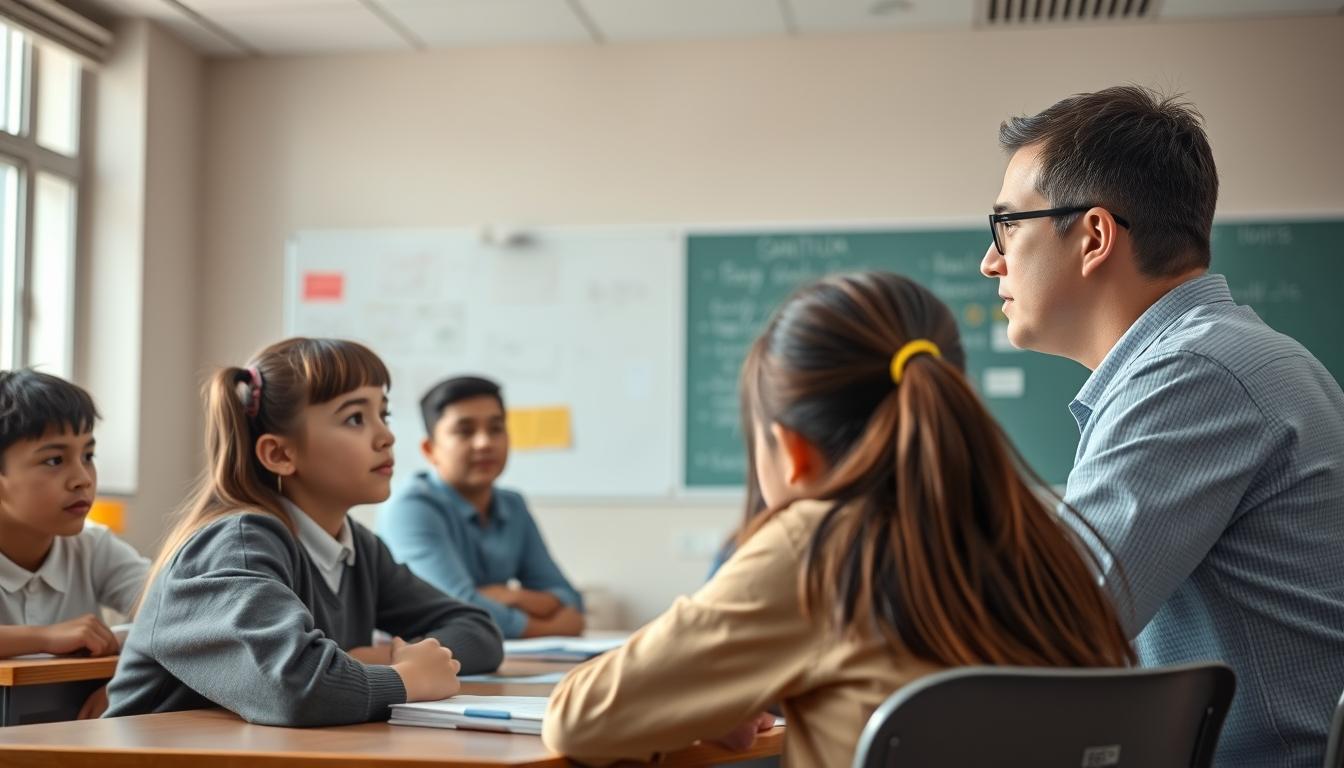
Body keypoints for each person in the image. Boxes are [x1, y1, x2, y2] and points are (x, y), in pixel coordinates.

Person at [542, 272, 1134, 765]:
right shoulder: (1034, 537)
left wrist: (700, 700)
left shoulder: (819, 545)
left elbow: (577, 720)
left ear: (791, 452)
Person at [981, 85, 1344, 766]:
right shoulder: (1225, 356)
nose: (991, 261)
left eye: (1007, 227)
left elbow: (1043, 626)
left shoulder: (1197, 373)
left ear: (1093, 236)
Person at [106, 338, 503, 726]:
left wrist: (374, 663)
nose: (386, 436)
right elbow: (295, 689)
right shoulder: (236, 542)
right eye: (355, 418)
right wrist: (407, 677)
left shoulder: (355, 546)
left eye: (385, 414)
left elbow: (478, 630)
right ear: (279, 454)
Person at [381, 375, 584, 639]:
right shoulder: (410, 507)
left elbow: (568, 597)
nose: (485, 443)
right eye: (465, 431)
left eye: (496, 428)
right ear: (430, 449)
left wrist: (510, 596)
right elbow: (457, 608)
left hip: (501, 659)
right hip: (425, 662)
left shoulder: (513, 505)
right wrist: (551, 627)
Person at [0, 369, 148, 719]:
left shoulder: (92, 547)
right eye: (54, 460)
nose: (83, 479)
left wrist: (125, 683)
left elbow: (185, 612)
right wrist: (44, 637)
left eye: (88, 456)